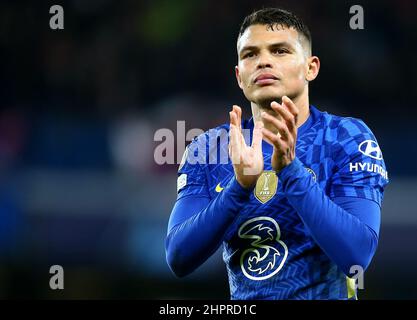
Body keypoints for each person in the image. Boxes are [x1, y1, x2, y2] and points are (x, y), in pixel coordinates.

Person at [165, 7, 389, 300]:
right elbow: (178, 257)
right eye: (250, 55)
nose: (263, 61)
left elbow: (357, 256)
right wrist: (240, 187)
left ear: (311, 67)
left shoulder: (346, 139)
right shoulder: (208, 149)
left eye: (280, 51)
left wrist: (291, 171)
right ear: (238, 76)